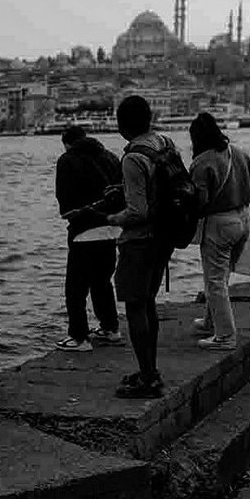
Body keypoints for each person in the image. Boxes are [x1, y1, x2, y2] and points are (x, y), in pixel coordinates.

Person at [109, 95, 175, 398]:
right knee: (148, 302)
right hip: (163, 237)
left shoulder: (133, 157)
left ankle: (148, 379)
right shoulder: (163, 142)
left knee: (136, 306)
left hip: (140, 242)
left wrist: (112, 217)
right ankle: (150, 369)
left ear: (124, 124)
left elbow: (138, 212)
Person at [188, 112, 250, 350]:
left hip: (219, 224)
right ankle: (211, 322)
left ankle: (225, 336)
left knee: (214, 280)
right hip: (244, 218)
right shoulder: (238, 152)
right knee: (222, 276)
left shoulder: (203, 162)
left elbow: (199, 201)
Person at [53, 124, 125, 351]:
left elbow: (65, 203)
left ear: (66, 143)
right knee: (102, 282)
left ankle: (78, 337)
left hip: (84, 232)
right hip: (112, 228)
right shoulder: (111, 157)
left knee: (75, 289)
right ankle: (110, 328)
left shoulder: (67, 160)